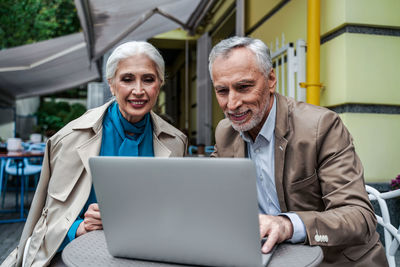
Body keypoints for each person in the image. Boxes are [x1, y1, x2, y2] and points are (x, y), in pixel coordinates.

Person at [2, 41, 187, 267]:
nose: (138, 90)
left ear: (159, 84)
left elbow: (176, 213)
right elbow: (48, 217)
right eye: (127, 79)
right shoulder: (69, 139)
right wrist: (77, 227)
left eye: (148, 79)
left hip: (148, 253)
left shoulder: (177, 142)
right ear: (111, 84)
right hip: (80, 251)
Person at [208, 36, 388, 266]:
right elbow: (217, 197)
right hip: (267, 257)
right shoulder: (225, 131)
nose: (232, 104)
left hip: (333, 261)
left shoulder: (321, 126)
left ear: (271, 79)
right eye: (222, 91)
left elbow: (359, 217)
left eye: (244, 87)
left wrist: (288, 225)